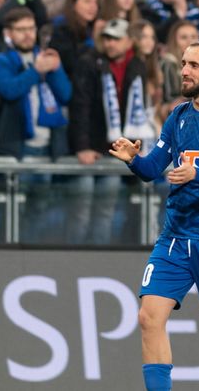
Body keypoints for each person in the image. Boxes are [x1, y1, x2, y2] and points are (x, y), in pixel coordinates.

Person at [109, 41, 199, 391]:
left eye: (194, 65)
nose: (185, 70)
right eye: (184, 63)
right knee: (148, 317)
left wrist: (195, 174)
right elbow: (153, 168)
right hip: (175, 235)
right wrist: (132, 159)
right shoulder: (178, 116)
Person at [68, 18, 155, 244]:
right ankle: (73, 258)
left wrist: (135, 148)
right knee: (82, 208)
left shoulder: (137, 65)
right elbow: (81, 107)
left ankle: (97, 259)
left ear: (128, 41)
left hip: (117, 150)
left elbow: (140, 109)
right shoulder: (90, 63)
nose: (110, 44)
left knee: (106, 210)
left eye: (115, 39)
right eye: (107, 38)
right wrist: (83, 146)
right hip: (92, 148)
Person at [0, 7, 70, 160]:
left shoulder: (46, 57)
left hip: (50, 147)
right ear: (8, 33)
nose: (27, 34)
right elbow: (9, 90)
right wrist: (36, 71)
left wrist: (57, 69)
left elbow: (65, 95)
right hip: (18, 146)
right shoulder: (0, 60)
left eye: (31, 28)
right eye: (21, 30)